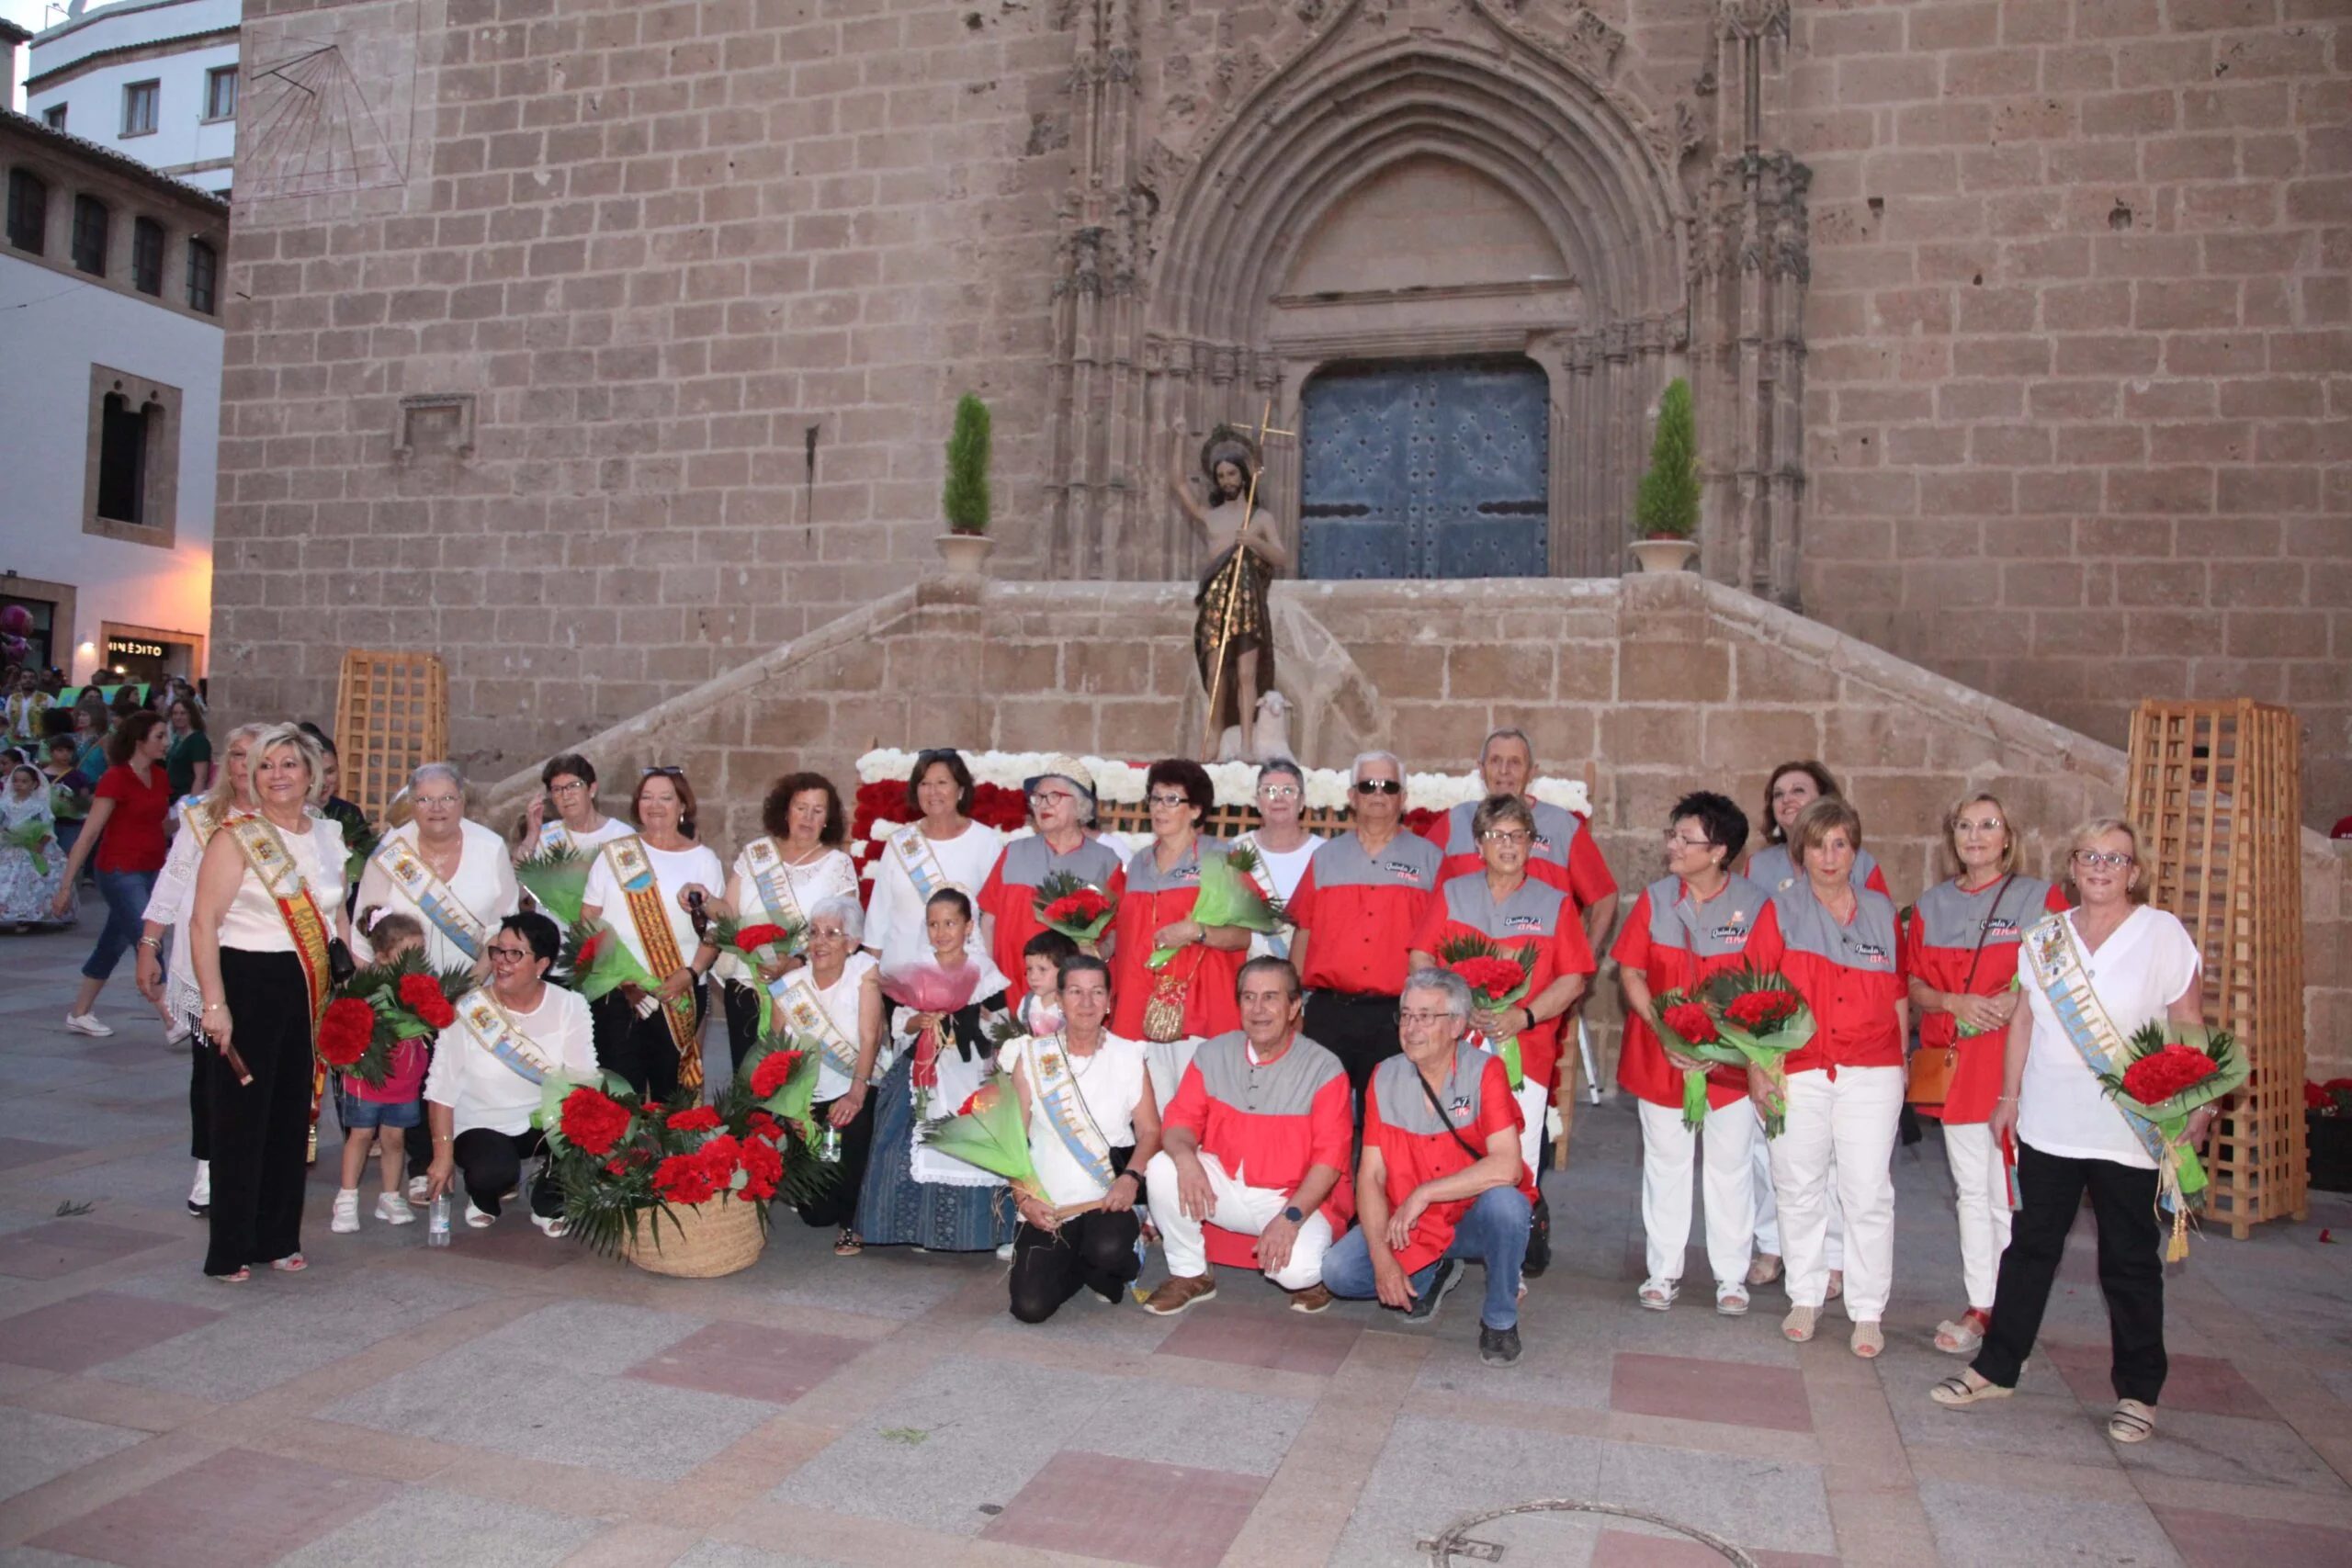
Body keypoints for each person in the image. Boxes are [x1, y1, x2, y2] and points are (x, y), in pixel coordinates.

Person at [1931, 819, 2212, 1445]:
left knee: (2129, 1261)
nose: (2101, 867)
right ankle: (1998, 1365)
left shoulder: (2162, 934)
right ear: (2074, 866)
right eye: (2090, 855)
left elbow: (2188, 1021)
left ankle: (2139, 1391)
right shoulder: (2046, 937)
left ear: (2134, 872)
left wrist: (2196, 1100)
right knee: (2030, 1249)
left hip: (2127, 1129)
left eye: (2116, 858)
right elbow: (2024, 1021)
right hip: (2050, 1124)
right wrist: (2009, 1097)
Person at [1903, 793, 2067, 1357]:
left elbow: (2058, 970)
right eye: (1965, 826)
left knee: (2011, 1194)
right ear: (1952, 838)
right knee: (1972, 1192)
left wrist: (2014, 994)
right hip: (1955, 1066)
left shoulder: (2039, 897)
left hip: (2016, 1066)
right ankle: (1982, 1304)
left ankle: (2012, 1306)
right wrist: (1954, 1001)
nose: (1976, 836)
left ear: (2008, 836)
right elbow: (1914, 987)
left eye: (1989, 825)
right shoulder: (1930, 906)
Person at [187, 724, 352, 1280]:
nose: (277, 775)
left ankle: (278, 1236)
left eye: (289, 765)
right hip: (249, 979)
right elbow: (203, 922)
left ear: (312, 775)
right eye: (265, 766)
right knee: (241, 1119)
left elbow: (335, 915)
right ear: (252, 777)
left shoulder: (329, 835)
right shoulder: (236, 836)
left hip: (309, 985)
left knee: (293, 1116)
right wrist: (215, 1004)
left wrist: (350, 981)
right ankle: (229, 1246)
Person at [1611, 791, 1782, 1315]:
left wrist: (1734, 1050)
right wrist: (1664, 1030)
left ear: (1719, 851)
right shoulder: (1655, 899)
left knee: (1730, 1167)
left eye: (1688, 839)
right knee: (1665, 1164)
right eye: (1673, 834)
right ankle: (1663, 1272)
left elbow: (1765, 988)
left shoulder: (1755, 905)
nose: (1674, 846)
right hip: (1662, 1055)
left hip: (1728, 1062)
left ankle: (1731, 1277)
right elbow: (1631, 972)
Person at [1320, 968, 1535, 1367]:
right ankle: (1429, 1273)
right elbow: (1370, 1176)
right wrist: (1382, 1260)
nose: (1411, 1028)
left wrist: (1425, 1193)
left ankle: (1500, 1319)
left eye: (1425, 1016)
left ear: (1456, 1025)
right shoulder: (1384, 1076)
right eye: (1405, 1015)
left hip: (1469, 1217)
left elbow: (1508, 1166)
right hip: (1411, 1223)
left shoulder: (1485, 1071)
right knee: (1339, 1273)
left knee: (1508, 1206)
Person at [1763, 796, 1908, 1357]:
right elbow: (1760, 998)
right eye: (1819, 844)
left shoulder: (1880, 911)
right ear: (1801, 852)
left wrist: (1900, 1067)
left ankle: (1868, 1309)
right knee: (1798, 1185)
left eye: (1841, 844)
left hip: (1871, 1071)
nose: (1830, 856)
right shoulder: (1779, 913)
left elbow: (1896, 994)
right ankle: (1805, 1293)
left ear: (1855, 850)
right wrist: (1761, 1070)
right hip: (1798, 1068)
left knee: (1868, 1190)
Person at [1742, 760, 1885, 1292]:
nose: (1787, 801)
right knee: (1771, 1151)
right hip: (1779, 1031)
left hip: (1841, 1037)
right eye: (1778, 793)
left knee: (1836, 1161)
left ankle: (1834, 1256)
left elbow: (1877, 942)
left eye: (1798, 791)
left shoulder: (1862, 864)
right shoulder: (1759, 867)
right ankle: (1773, 1245)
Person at [1142, 956, 1352, 1315]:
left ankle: (1319, 1268)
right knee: (1163, 1166)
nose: (1258, 1009)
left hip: (1292, 1196)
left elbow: (1329, 1162)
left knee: (1297, 1272)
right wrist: (1186, 1159)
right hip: (1225, 1184)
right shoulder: (1212, 1053)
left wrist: (1290, 1219)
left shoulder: (1324, 1068)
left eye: (1271, 997)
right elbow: (1179, 1122)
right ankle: (1190, 1273)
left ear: (1294, 1006)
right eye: (1249, 997)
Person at [1408, 793, 1595, 1189]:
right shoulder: (1452, 894)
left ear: (1530, 843)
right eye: (1497, 835)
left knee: (1516, 1163)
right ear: (1479, 844)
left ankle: (1514, 1244)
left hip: (1524, 1055)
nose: (1508, 845)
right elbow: (1421, 957)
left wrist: (1522, 1016)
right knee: (1446, 1153)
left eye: (1518, 835)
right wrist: (1456, 1007)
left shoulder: (1556, 904)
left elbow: (1573, 979)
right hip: (1450, 1050)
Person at [136, 721, 266, 1218]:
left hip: (268, 964)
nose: (244, 765)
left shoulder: (295, 821)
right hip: (204, 957)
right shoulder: (199, 817)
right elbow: (172, 883)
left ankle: (258, 1163)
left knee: (266, 1069)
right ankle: (210, 1163)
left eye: (255, 756)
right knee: (211, 1069)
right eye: (236, 754)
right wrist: (150, 943)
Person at [856, 889, 1017, 1253]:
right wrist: (920, 1019)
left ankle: (992, 1229)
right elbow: (899, 1024)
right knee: (901, 1138)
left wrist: (980, 1019)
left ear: (968, 926)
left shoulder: (983, 971)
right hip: (925, 1062)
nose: (941, 932)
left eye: (950, 923)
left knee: (978, 1136)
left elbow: (1002, 1023)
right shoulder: (918, 968)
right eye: (933, 924)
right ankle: (921, 1227)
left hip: (971, 1064)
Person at [424, 911, 602, 1233]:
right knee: (493, 1172)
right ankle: (483, 1196)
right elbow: (441, 1088)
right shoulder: (469, 1009)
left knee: (592, 1123)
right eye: (497, 951)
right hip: (481, 1123)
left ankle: (550, 1199)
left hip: (544, 1121)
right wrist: (442, 1155)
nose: (501, 962)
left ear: (542, 964)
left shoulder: (569, 1005)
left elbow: (583, 1077)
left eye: (515, 954)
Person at [1004, 953, 1160, 1321]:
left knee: (1107, 1248)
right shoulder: (1031, 1056)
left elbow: (1151, 1131)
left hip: (1108, 1199)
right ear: (1059, 999)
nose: (1086, 1003)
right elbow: (1010, 1138)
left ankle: (1116, 1258)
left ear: (1109, 1001)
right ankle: (1082, 1266)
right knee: (1029, 1308)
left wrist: (1131, 1178)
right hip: (1048, 1203)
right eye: (1075, 992)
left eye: (1096, 992)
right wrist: (1023, 1195)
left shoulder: (1128, 1055)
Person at [1284, 751, 1442, 1109]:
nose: (1378, 793)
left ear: (1403, 798)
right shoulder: (1325, 858)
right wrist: (1291, 1004)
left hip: (1397, 1016)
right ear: (1352, 796)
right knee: (1322, 1115)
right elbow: (1303, 933)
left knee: (1388, 1118)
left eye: (1388, 786)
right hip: (1330, 1015)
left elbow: (1442, 941)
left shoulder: (1431, 860)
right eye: (1368, 785)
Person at [1110, 759, 1251, 1109]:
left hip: (1202, 1009)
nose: (1160, 808)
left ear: (1196, 810)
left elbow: (1243, 936)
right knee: (1149, 1118)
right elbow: (1118, 932)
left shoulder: (1222, 858)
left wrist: (1196, 931)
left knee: (1199, 1115)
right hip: (1139, 1009)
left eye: (1172, 799)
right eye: (1155, 799)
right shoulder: (1136, 864)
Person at [578, 767, 724, 1099]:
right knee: (619, 1095)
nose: (655, 805)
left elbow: (716, 931)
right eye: (646, 797)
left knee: (671, 1096)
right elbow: (588, 919)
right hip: (619, 992)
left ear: (682, 805)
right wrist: (615, 974)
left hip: (678, 991)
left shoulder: (704, 860)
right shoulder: (614, 854)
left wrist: (691, 973)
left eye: (665, 798)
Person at [714, 772, 859, 1075]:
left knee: (797, 1084)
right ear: (785, 810)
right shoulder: (757, 854)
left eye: (818, 810)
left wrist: (794, 962)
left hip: (804, 991)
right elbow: (729, 910)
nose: (807, 817)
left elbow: (843, 932)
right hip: (746, 985)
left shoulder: (837, 865)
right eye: (800, 807)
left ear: (828, 819)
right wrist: (701, 900)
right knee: (749, 1082)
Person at [1425, 728, 1618, 944]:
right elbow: (1418, 890)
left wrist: (1584, 966)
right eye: (1495, 760)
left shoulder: (1562, 826)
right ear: (1481, 768)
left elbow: (1605, 896)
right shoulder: (1455, 821)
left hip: (1543, 973)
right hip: (1463, 969)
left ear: (1531, 772)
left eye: (1515, 762)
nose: (1504, 771)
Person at [51, 710, 174, 1037]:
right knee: (147, 937)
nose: (166, 742)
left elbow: (161, 824)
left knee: (113, 942)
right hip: (119, 870)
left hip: (151, 868)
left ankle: (80, 1012)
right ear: (139, 740)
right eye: (160, 736)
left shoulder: (160, 777)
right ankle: (170, 1017)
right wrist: (66, 886)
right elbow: (89, 834)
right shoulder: (115, 778)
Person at [776, 895, 885, 1254]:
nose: (820, 942)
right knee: (815, 1214)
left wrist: (856, 1092)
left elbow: (871, 1036)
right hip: (808, 1101)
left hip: (855, 1088)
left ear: (851, 943)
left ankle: (855, 1220)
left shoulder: (863, 973)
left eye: (832, 934)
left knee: (852, 1128)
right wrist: (792, 1107)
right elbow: (777, 1054)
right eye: (814, 933)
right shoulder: (789, 987)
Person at [1170, 425, 1286, 758]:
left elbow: (1281, 557)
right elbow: (1179, 484)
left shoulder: (1259, 517)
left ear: (1244, 476)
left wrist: (1254, 542)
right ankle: (1214, 738)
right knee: (1215, 672)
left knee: (1247, 673)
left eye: (1232, 473)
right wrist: (1179, 438)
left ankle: (1249, 744)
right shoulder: (1211, 517)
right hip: (1216, 599)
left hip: (1246, 598)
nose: (1227, 480)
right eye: (1221, 475)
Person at [977, 756, 1126, 1007]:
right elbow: (988, 920)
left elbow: (1120, 926)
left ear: (1079, 805)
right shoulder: (1013, 853)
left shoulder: (1105, 862)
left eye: (1053, 797)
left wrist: (1103, 952)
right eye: (1037, 798)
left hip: (1073, 1002)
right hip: (1009, 993)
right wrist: (988, 981)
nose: (1042, 805)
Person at [351, 762, 520, 973]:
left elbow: (505, 925)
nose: (436, 808)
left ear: (462, 802)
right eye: (424, 800)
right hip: (401, 995)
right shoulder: (390, 852)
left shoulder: (491, 848)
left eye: (447, 798)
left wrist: (470, 986)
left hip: (477, 991)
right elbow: (363, 936)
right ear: (411, 804)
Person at [330, 910, 431, 1234]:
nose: (414, 961)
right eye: (406, 954)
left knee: (395, 1138)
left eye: (419, 953)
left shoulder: (422, 987)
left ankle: (389, 1196)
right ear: (382, 956)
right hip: (367, 1075)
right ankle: (346, 1197)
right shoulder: (364, 987)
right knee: (360, 1136)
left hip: (404, 1076)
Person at [863, 748, 1003, 971]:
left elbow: (996, 917)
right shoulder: (900, 843)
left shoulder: (985, 842)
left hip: (963, 981)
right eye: (924, 784)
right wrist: (870, 977)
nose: (933, 792)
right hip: (899, 977)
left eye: (942, 783)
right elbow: (878, 918)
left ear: (960, 790)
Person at [1231, 759, 1317, 960]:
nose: (1278, 798)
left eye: (1288, 790)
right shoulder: (1235, 850)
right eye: (1269, 791)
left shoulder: (1324, 853)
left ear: (1302, 801)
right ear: (1257, 802)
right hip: (1248, 970)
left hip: (1306, 972)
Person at [514, 752, 634, 863]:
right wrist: (532, 835)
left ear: (591, 789)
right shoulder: (545, 835)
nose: (565, 796)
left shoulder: (621, 835)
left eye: (573, 786)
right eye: (557, 789)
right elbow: (515, 879)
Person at [0, 762, 63, 927]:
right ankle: (7, 912)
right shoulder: (5, 803)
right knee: (7, 879)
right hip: (9, 847)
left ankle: (26, 916)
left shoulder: (39, 805)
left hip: (33, 848)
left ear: (34, 784)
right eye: (16, 781)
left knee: (30, 881)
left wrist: (41, 843)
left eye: (24, 781)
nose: (19, 785)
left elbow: (46, 827)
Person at [40, 734, 95, 865]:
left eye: (68, 751)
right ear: (51, 752)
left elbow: (84, 801)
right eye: (60, 751)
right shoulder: (40, 775)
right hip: (46, 825)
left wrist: (74, 802)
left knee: (67, 859)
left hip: (71, 824)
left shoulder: (78, 776)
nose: (65, 755)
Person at [164, 697, 212, 798]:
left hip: (185, 796)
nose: (178, 717)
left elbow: (201, 777)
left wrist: (191, 804)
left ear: (191, 715)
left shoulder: (198, 740)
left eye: (183, 713)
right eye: (175, 713)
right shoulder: (176, 738)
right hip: (171, 795)